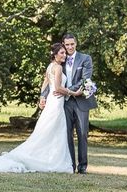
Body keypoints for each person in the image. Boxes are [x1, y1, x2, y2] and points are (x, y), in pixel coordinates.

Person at [0, 43, 77, 173]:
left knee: (47, 132)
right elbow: (57, 88)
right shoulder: (57, 67)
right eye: (62, 53)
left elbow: (45, 83)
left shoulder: (50, 66)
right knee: (53, 131)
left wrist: (42, 97)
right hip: (56, 103)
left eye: (64, 53)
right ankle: (49, 160)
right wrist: (73, 93)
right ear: (55, 54)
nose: (64, 55)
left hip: (52, 102)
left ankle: (48, 157)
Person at [40, 33, 97, 174]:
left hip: (81, 101)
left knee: (83, 133)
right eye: (67, 45)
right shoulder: (60, 59)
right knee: (66, 134)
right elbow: (49, 79)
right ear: (63, 45)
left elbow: (84, 79)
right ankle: (70, 165)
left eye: (72, 44)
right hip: (64, 103)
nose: (70, 47)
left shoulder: (85, 58)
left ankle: (82, 166)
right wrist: (43, 95)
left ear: (76, 43)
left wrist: (65, 90)